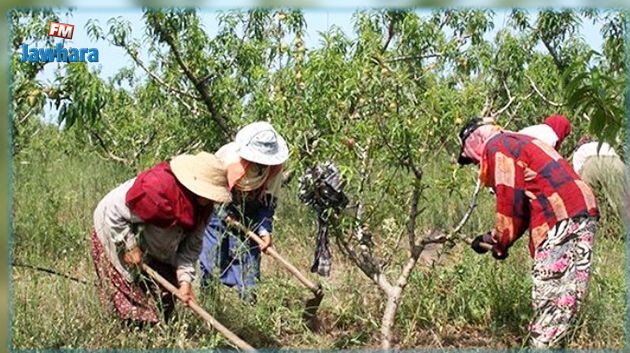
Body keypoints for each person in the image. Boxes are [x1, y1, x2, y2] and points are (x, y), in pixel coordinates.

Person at [457, 117, 599, 348]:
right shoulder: (516, 140)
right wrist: (492, 240)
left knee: (550, 301)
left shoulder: (496, 146)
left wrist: (499, 244)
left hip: (560, 214)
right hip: (579, 210)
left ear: (474, 142)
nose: (475, 164)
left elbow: (510, 206)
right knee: (564, 300)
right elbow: (522, 210)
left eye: (471, 159)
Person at [92, 152, 231, 324]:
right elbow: (113, 211)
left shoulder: (203, 208)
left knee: (165, 298)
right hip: (112, 229)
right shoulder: (157, 189)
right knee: (134, 306)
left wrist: (185, 281)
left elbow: (191, 247)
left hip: (154, 245)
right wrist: (129, 246)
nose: (212, 199)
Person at [199, 121, 289, 303]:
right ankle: (209, 304)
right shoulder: (228, 160)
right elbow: (210, 189)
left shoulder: (275, 169)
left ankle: (249, 305)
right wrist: (224, 213)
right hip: (219, 208)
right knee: (212, 258)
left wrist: (264, 231)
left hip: (252, 214)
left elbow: (268, 203)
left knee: (249, 266)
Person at [573, 135, 625, 218]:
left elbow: (578, 177)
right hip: (616, 162)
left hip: (592, 164)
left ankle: (599, 219)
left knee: (591, 198)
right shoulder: (602, 144)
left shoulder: (578, 152)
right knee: (621, 199)